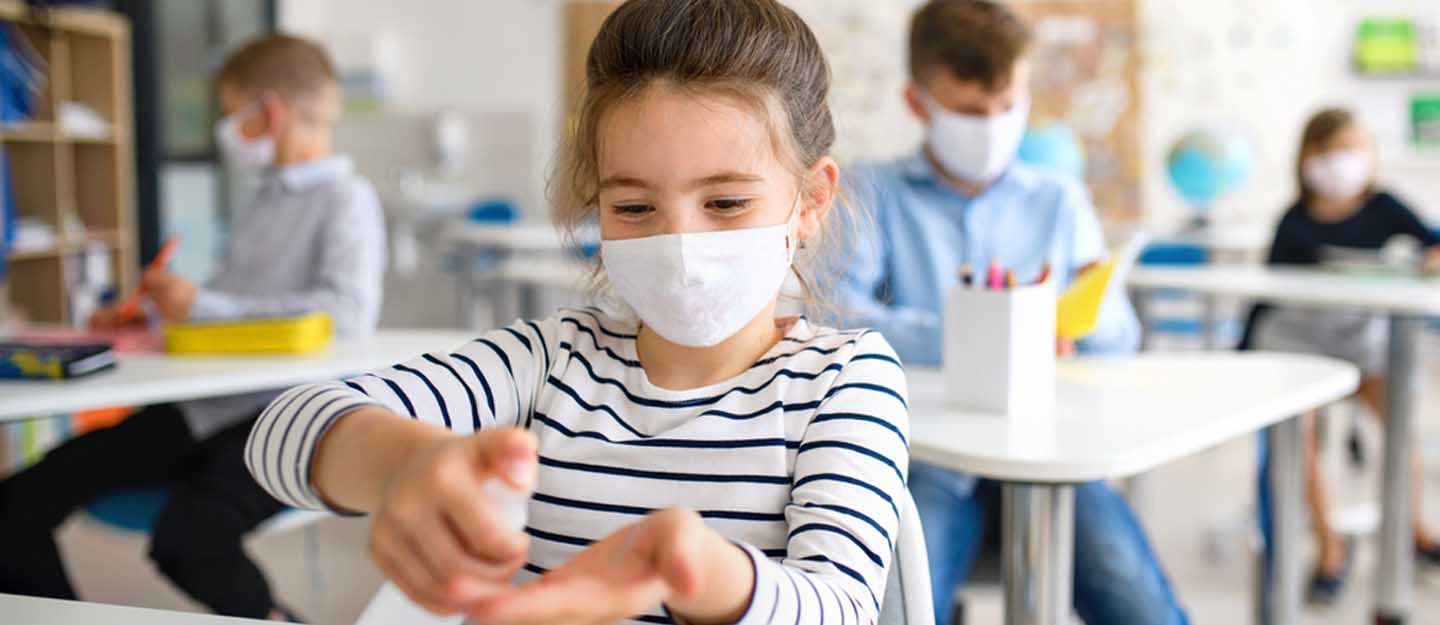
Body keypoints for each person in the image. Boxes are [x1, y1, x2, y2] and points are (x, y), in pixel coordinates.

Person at [245, 2, 908, 625]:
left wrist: (691, 564)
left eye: (726, 203)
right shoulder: (551, 358)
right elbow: (281, 427)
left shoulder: (844, 379)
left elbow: (840, 606)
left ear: (811, 201)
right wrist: (403, 464)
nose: (679, 243)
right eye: (634, 208)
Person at [0, 34, 385, 621]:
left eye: (233, 116)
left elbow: (345, 313)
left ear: (272, 112)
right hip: (205, 405)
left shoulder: (347, 200)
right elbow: (229, 303)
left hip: (281, 413)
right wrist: (154, 311)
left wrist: (200, 304)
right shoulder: (262, 201)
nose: (228, 132)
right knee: (15, 506)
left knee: (190, 540)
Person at [835, 2, 1188, 624]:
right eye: (970, 112)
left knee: (1136, 594)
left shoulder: (1059, 199)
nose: (992, 125)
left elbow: (1118, 336)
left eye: (1008, 107)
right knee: (902, 601)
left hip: (1049, 450)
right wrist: (988, 335)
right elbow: (838, 317)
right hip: (929, 452)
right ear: (918, 103)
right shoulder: (873, 192)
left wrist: (1076, 320)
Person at [1247, 107, 1440, 605]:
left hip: (1364, 338)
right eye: (1330, 151)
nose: (1342, 162)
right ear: (1308, 159)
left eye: (1352, 149)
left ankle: (1414, 532)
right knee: (1297, 435)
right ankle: (1329, 549)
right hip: (1298, 338)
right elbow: (1265, 294)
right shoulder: (1293, 220)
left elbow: (1433, 244)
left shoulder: (1386, 207)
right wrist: (1244, 353)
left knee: (1400, 422)